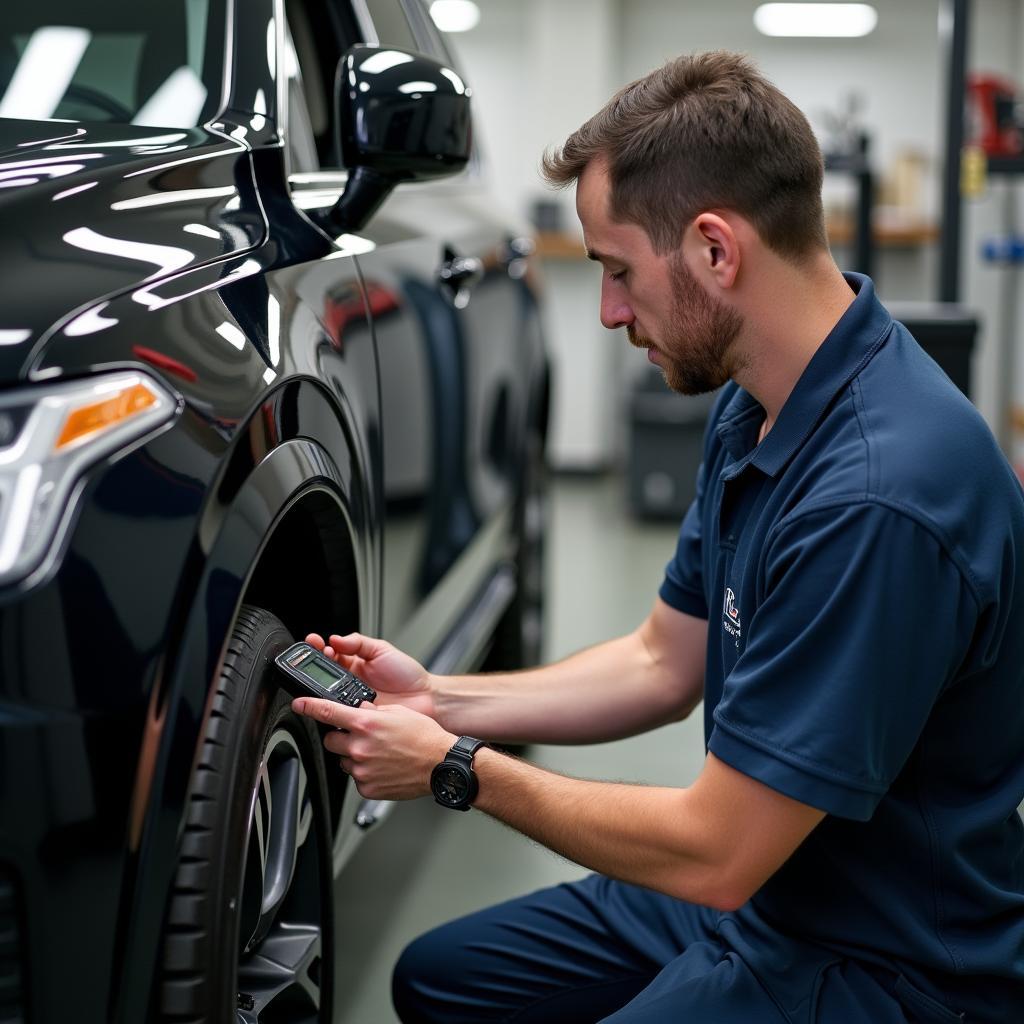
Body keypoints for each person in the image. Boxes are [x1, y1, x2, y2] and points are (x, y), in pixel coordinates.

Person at [292, 51, 1024, 1023]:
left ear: (716, 251)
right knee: (439, 978)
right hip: (776, 891)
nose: (606, 311)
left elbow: (715, 850)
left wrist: (452, 767)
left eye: (618, 270)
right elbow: (659, 660)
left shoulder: (877, 499)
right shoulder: (760, 402)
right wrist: (441, 698)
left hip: (883, 960)